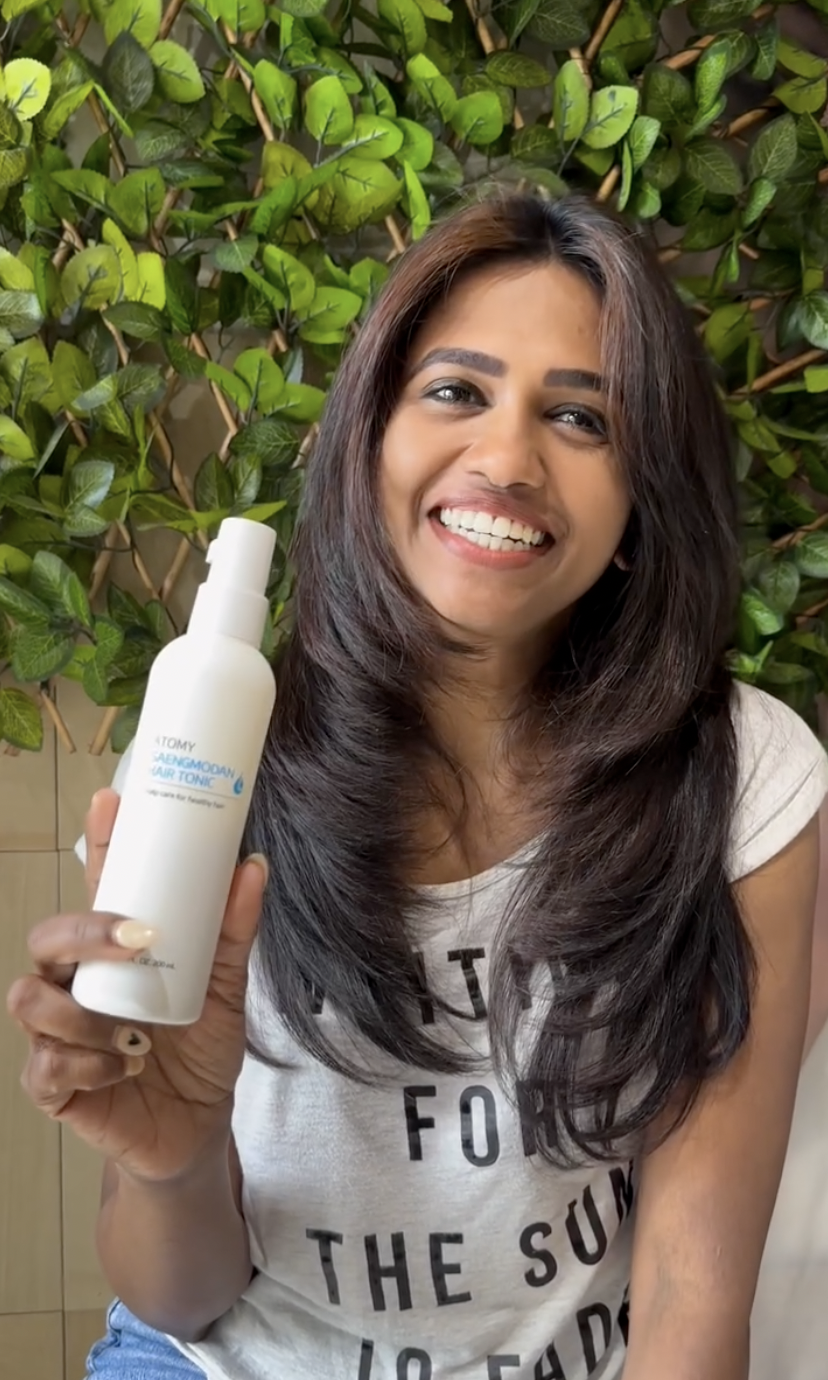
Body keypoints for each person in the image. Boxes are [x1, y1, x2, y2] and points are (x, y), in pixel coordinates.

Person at [8, 193, 828, 1380]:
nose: (505, 459)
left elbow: (693, 1299)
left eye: (581, 418)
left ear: (642, 496)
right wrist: (173, 1161)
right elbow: (180, 1294)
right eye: (455, 391)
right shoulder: (208, 758)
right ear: (370, 436)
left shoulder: (741, 777)